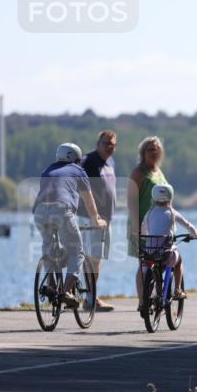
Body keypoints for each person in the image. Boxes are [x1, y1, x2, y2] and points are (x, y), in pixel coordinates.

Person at [32, 143, 109, 308]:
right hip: (61, 210)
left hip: (39, 211)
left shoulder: (47, 170)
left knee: (48, 248)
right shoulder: (78, 171)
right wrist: (96, 220)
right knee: (77, 251)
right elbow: (89, 201)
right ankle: (66, 291)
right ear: (76, 159)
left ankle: (51, 284)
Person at [76, 130, 118, 311]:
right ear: (97, 143)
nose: (109, 147)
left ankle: (91, 297)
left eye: (112, 144)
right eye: (105, 143)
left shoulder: (110, 162)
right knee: (90, 258)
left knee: (96, 259)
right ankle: (89, 298)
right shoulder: (88, 161)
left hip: (105, 219)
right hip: (89, 217)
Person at [140, 184, 197, 300]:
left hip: (150, 252)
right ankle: (177, 289)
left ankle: (148, 297)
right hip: (166, 253)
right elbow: (187, 224)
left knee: (149, 267)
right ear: (170, 197)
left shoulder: (149, 213)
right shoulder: (172, 212)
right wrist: (195, 233)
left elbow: (143, 229)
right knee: (178, 261)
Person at [128, 136, 169, 304]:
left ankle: (159, 297)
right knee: (144, 265)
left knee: (163, 261)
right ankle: (143, 301)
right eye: (150, 149)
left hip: (160, 226)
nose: (154, 152)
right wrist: (136, 229)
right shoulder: (138, 173)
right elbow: (131, 202)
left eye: (157, 149)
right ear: (143, 152)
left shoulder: (158, 171)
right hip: (142, 224)